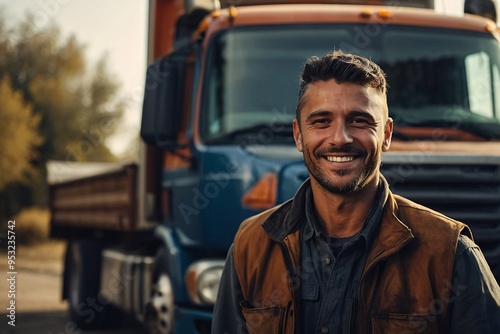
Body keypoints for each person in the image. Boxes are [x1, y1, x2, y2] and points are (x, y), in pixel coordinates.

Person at [211, 50, 500, 333]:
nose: (340, 138)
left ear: (386, 135)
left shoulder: (450, 253)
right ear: (298, 135)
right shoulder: (250, 246)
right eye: (321, 121)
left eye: (359, 121)